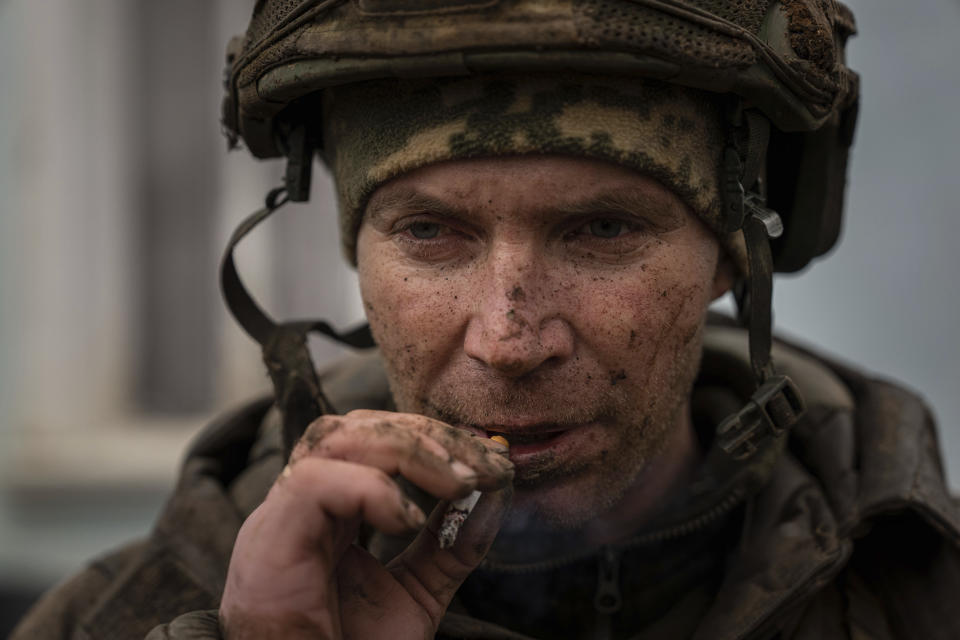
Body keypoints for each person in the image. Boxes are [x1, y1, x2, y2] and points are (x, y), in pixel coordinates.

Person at [12, 1, 960, 639]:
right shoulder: (117, 616)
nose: (507, 341)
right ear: (360, 255)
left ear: (731, 255)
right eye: (430, 232)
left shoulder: (918, 600)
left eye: (600, 230)